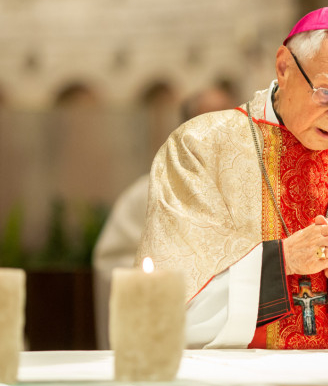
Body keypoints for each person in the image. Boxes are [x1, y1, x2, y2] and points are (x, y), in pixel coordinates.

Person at [137, 6, 328, 349]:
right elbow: (171, 292)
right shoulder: (200, 147)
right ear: (284, 66)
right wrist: (284, 260)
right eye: (327, 93)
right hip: (240, 377)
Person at [92, 82, 239, 349]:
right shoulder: (148, 192)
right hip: (167, 332)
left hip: (233, 334)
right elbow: (112, 263)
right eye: (208, 121)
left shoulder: (249, 191)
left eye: (228, 120)